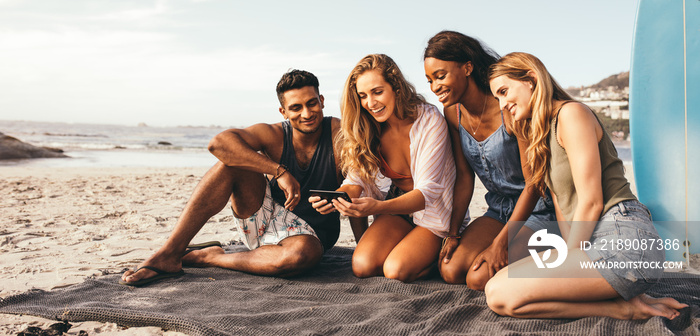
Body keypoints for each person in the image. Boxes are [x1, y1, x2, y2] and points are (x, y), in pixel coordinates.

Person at [484, 52, 687, 319]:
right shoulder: (543, 138)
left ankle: (623, 306)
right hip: (594, 244)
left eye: (503, 91)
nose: (502, 104)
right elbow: (564, 213)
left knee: (500, 290)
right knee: (500, 296)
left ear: (531, 79)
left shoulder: (571, 113)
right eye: (497, 97)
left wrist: (567, 259)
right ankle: (622, 307)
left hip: (626, 240)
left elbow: (592, 202)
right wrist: (567, 260)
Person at [121, 69, 366, 286]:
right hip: (263, 220)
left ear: (322, 101)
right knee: (231, 162)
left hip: (310, 236)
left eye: (312, 103)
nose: (306, 113)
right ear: (283, 111)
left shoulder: (340, 134)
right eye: (296, 107)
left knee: (300, 256)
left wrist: (362, 246)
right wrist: (278, 171)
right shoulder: (273, 134)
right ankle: (169, 254)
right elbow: (219, 144)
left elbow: (359, 185)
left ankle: (213, 257)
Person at [311, 54, 467, 283]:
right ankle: (410, 247)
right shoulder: (369, 127)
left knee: (396, 270)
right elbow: (358, 180)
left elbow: (427, 194)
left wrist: (378, 207)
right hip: (398, 205)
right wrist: (337, 199)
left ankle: (430, 254)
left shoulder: (429, 120)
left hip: (434, 210)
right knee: (362, 266)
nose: (370, 103)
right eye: (362, 96)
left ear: (395, 86)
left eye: (377, 92)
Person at [423, 31, 557, 290]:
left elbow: (534, 184)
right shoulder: (452, 113)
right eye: (429, 80)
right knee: (451, 270)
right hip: (498, 209)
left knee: (477, 278)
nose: (435, 87)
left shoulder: (508, 107)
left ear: (467, 68)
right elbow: (464, 177)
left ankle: (551, 254)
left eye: (441, 76)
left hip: (539, 209)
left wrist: (500, 244)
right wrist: (452, 233)